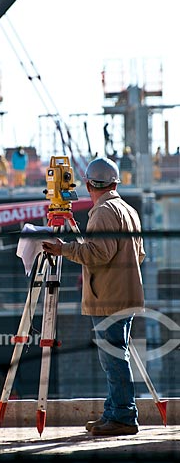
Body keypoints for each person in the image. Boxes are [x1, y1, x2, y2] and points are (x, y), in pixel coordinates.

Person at [42, 157, 145, 436]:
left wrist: (63, 249)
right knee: (115, 356)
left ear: (88, 184)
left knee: (113, 359)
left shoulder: (102, 213)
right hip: (125, 294)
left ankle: (123, 417)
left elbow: (99, 253)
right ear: (114, 182)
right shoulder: (128, 209)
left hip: (109, 299)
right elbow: (139, 254)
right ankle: (113, 412)